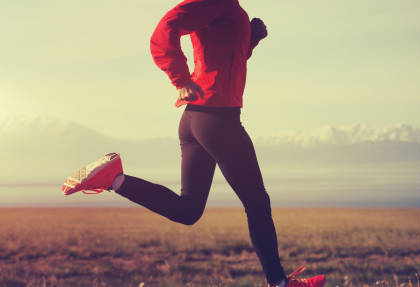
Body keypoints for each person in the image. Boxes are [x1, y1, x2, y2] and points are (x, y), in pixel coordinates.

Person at [61, 0, 326, 286]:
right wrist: (180, 79)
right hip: (218, 120)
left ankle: (114, 179)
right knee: (257, 202)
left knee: (188, 210)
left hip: (198, 120)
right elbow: (165, 29)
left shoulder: (231, 8)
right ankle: (280, 283)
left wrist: (250, 41)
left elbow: (224, 62)